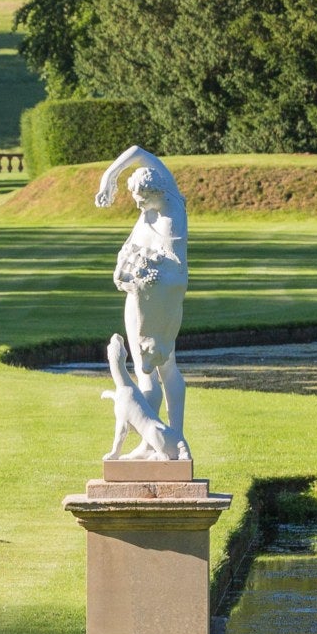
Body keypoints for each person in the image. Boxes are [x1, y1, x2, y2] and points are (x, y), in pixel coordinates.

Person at [94, 145, 189, 459]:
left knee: (157, 370)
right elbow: (137, 151)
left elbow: (177, 274)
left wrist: (140, 275)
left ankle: (163, 441)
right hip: (142, 296)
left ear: (153, 193)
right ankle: (160, 442)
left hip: (155, 302)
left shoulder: (171, 222)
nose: (137, 205)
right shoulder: (164, 186)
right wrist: (110, 177)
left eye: (140, 200)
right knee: (154, 371)